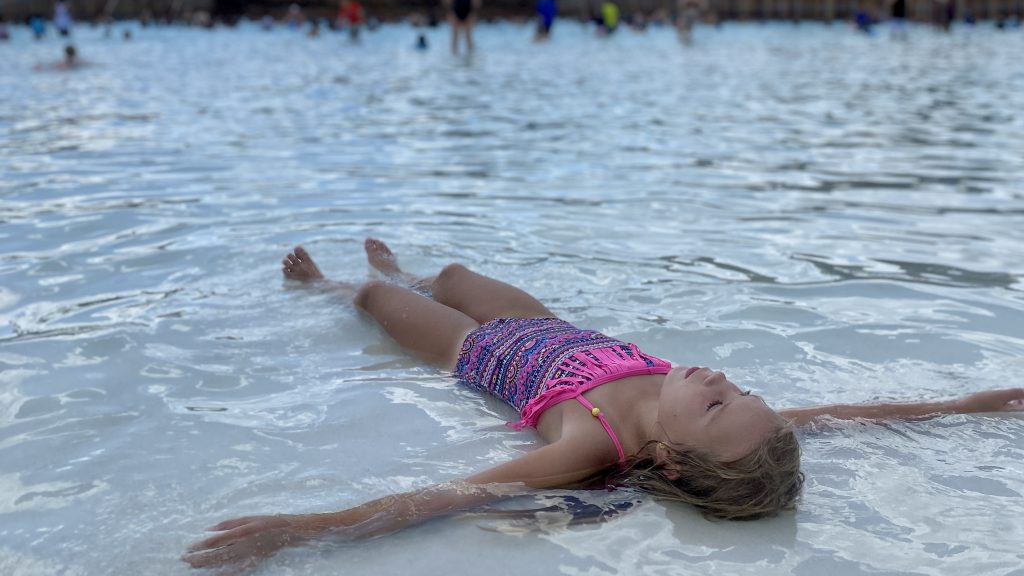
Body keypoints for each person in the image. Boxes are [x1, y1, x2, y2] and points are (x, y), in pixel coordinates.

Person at [183, 239, 1023, 571]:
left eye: (715, 403)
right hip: (545, 327)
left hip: (469, 352)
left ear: (667, 457)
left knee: (373, 296)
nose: (718, 380)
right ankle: (414, 273)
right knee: (452, 276)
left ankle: (335, 285)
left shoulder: (591, 445)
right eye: (738, 390)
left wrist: (307, 529)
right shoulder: (710, 419)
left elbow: (459, 494)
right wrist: (976, 403)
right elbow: (851, 414)